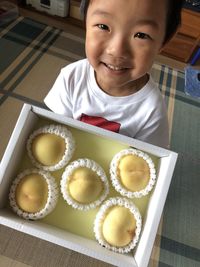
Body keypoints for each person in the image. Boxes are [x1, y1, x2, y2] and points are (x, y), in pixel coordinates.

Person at [44, 0, 184, 148]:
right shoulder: (71, 77)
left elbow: (149, 158)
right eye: (103, 26)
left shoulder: (151, 110)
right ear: (85, 20)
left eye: (141, 35)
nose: (117, 50)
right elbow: (56, 131)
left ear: (165, 40)